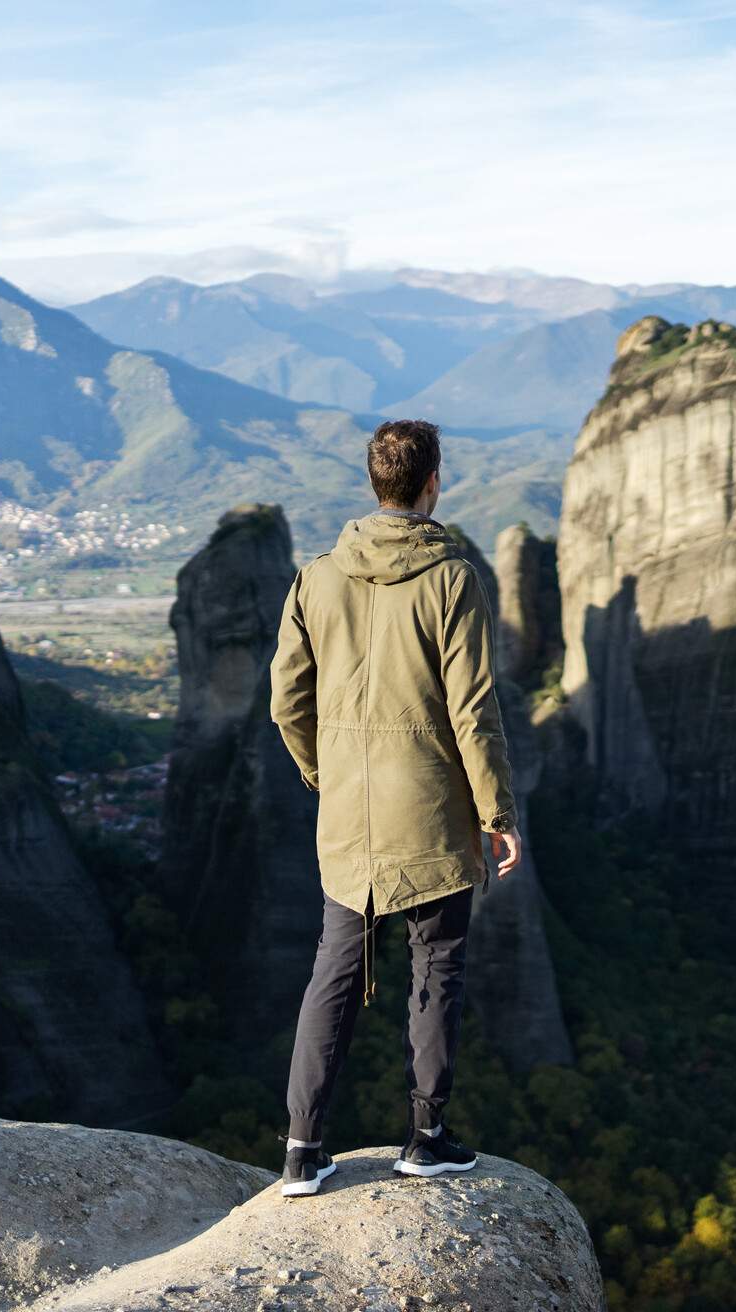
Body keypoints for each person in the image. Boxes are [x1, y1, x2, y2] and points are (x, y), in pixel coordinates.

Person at [268, 417, 523, 1198]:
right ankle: (426, 1136)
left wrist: (323, 772)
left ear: (375, 482)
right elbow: (473, 708)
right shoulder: (453, 578)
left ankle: (303, 1151)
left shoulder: (318, 575)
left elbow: (285, 699)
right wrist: (498, 814)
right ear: (433, 481)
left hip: (347, 817)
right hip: (431, 814)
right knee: (437, 968)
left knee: (334, 975)